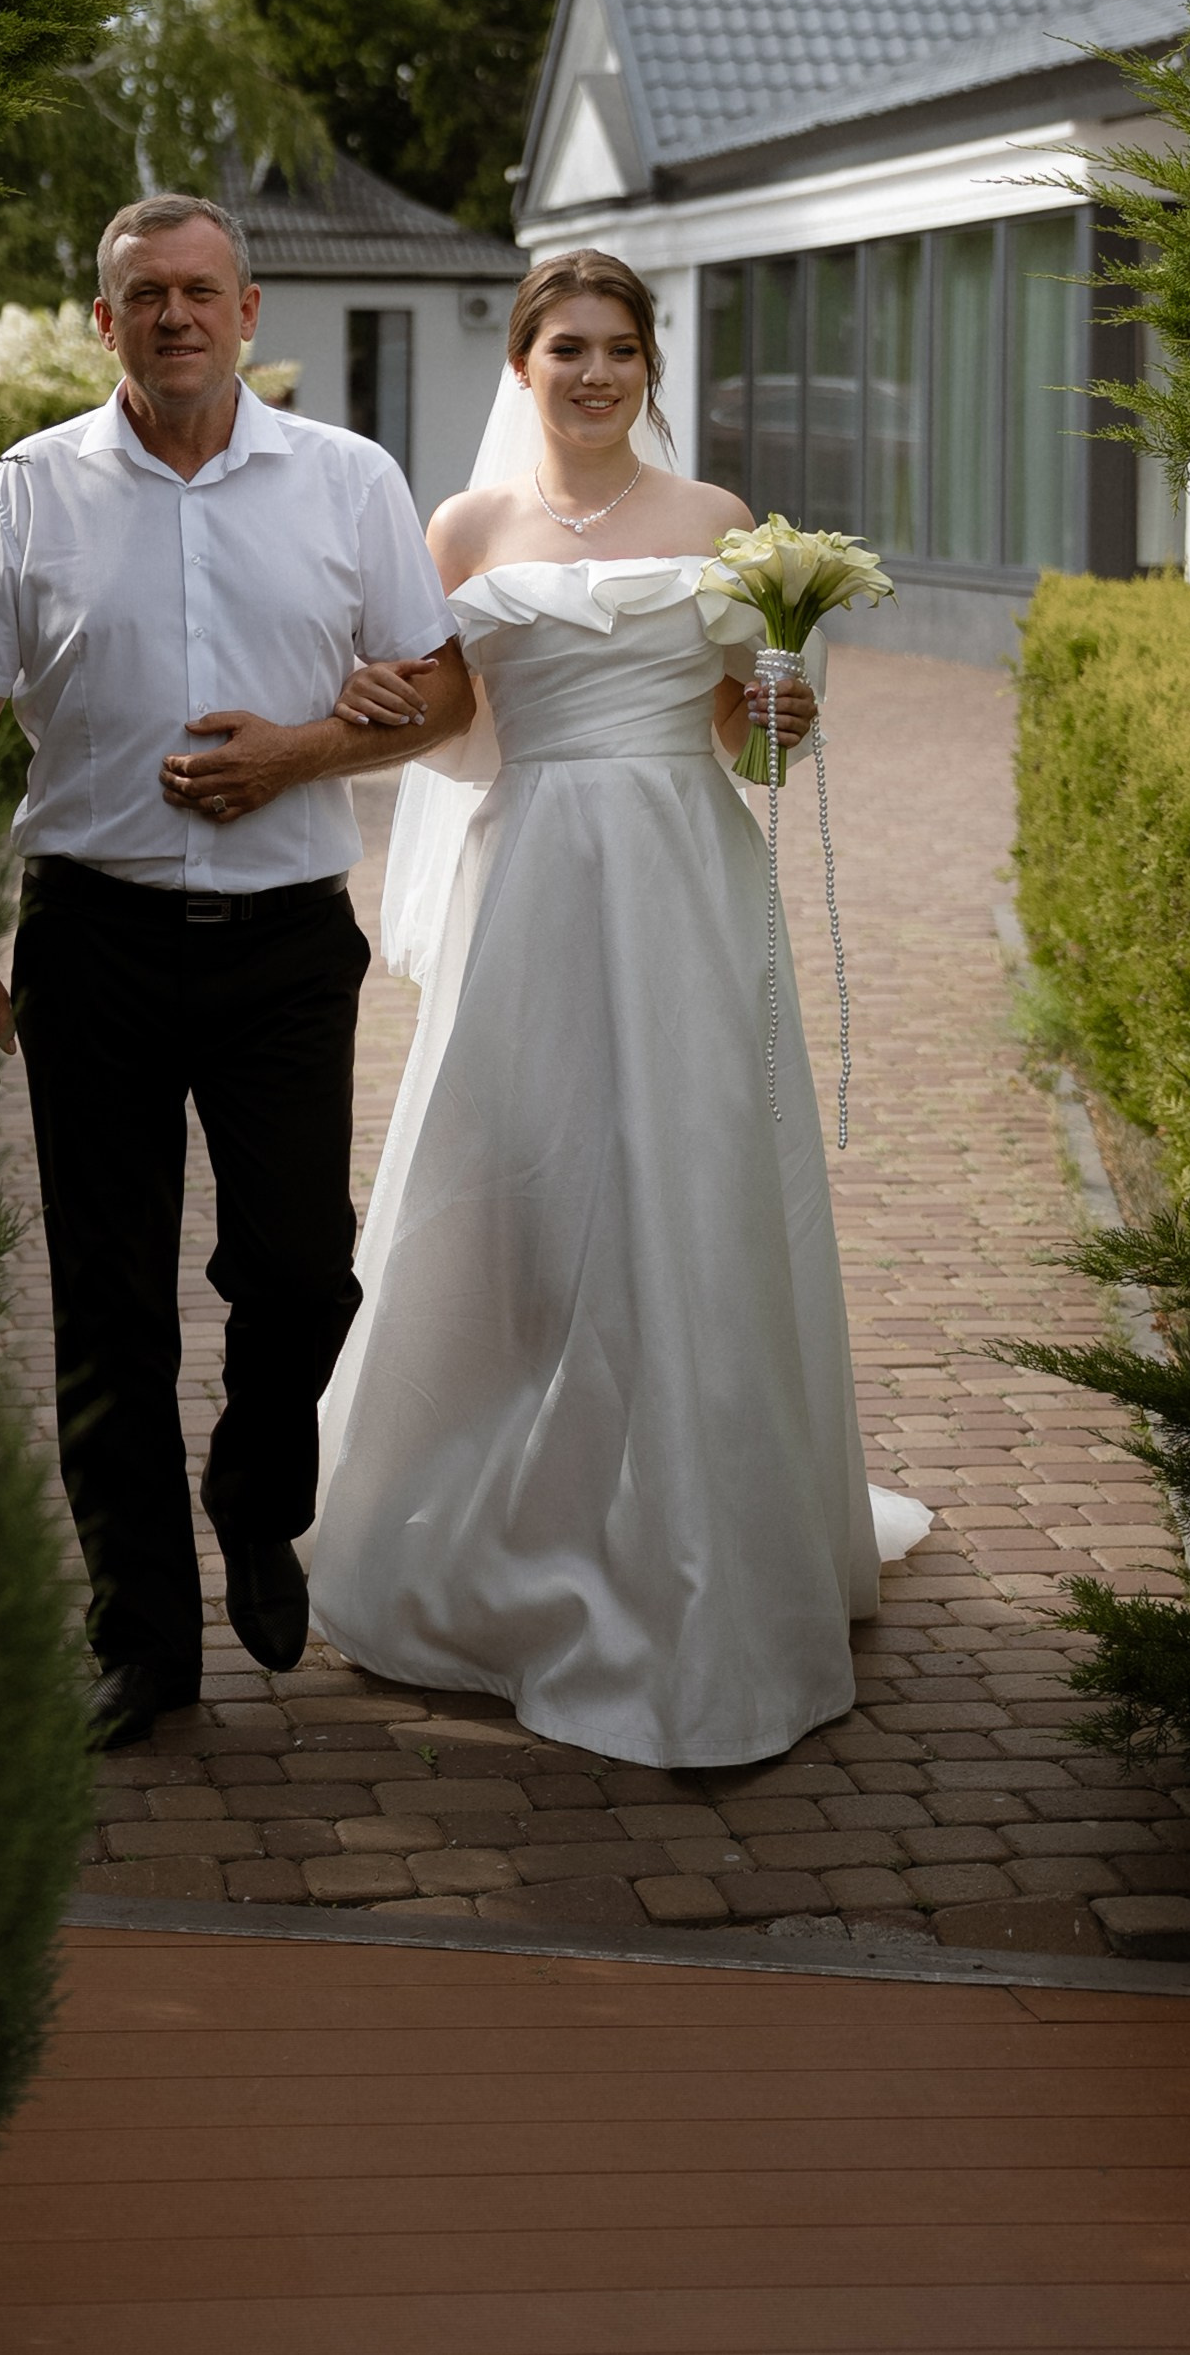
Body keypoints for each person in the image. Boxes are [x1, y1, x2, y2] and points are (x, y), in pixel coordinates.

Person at [309, 248, 932, 1771]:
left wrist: (789, 703)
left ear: (649, 366)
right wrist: (374, 703)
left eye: (617, 349)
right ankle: (516, 1530)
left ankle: (708, 1543)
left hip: (681, 884)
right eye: (563, 347)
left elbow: (748, 739)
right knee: (520, 1196)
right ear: (519, 363)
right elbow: (453, 715)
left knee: (687, 1191)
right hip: (531, 892)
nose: (591, 372)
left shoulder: (719, 525)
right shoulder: (462, 524)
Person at [0, 194, 472, 1752]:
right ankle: (144, 1641)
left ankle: (255, 1495)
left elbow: (441, 692)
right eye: (142, 295)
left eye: (199, 291)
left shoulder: (346, 480)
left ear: (249, 311)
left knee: (300, 1270)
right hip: (90, 938)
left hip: (288, 944)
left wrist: (304, 748)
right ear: (102, 322)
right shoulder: (23, 495)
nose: (173, 316)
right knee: (106, 1307)